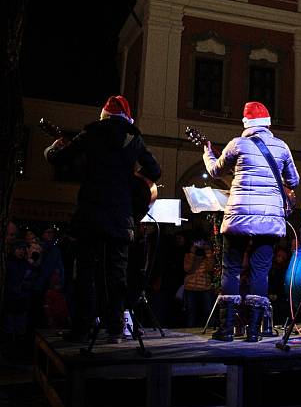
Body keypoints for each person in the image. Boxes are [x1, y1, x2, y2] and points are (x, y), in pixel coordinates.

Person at [44, 95, 161, 343]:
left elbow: (58, 158)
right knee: (116, 274)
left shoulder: (91, 133)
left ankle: (81, 329)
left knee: (85, 272)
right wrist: (131, 179)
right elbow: (155, 170)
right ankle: (116, 328)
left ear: (104, 115)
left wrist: (53, 147)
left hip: (90, 214)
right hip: (120, 216)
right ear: (125, 116)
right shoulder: (134, 138)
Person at [203, 101, 299, 342]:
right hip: (269, 220)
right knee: (260, 272)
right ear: (267, 123)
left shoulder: (238, 144)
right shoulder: (281, 146)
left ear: (246, 123)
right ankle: (254, 330)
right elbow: (294, 180)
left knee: (232, 269)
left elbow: (215, 171)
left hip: (238, 217)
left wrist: (208, 153)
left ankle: (226, 329)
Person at [183, 227, 215, 327]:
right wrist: (193, 252)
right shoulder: (188, 255)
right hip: (190, 288)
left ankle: (209, 328)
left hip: (205, 288)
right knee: (191, 313)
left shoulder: (208, 255)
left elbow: (210, 268)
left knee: (208, 311)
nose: (199, 244)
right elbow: (187, 269)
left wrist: (207, 250)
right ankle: (189, 332)